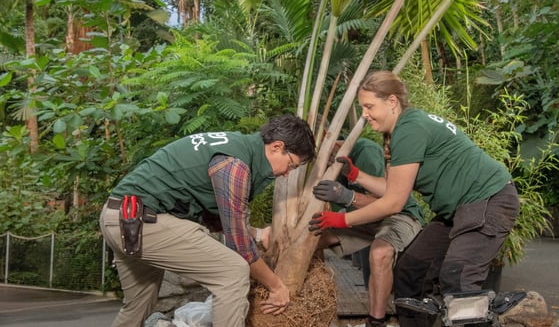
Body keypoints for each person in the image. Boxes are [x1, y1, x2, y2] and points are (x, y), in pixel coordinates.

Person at [309, 71, 519, 327]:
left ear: (392, 102)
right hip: (456, 212)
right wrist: (356, 174)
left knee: (458, 277)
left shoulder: (409, 128)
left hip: (488, 199)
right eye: (362, 107)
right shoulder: (401, 130)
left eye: (369, 106)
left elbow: (394, 203)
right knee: (410, 272)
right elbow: (391, 187)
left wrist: (341, 220)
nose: (365, 114)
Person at [100, 114, 315, 327]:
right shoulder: (235, 165)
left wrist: (259, 234)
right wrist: (277, 286)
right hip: (141, 221)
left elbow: (221, 221)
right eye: (292, 165)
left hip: (117, 216)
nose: (288, 173)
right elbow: (239, 245)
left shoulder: (236, 146)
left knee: (139, 304)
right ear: (277, 147)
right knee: (233, 272)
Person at [311, 136, 423, 327]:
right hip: (362, 219)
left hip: (398, 216)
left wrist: (347, 196)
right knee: (313, 238)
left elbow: (389, 203)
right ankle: (316, 303)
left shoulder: (364, 151)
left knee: (379, 253)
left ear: (326, 136)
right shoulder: (328, 163)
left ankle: (376, 322)